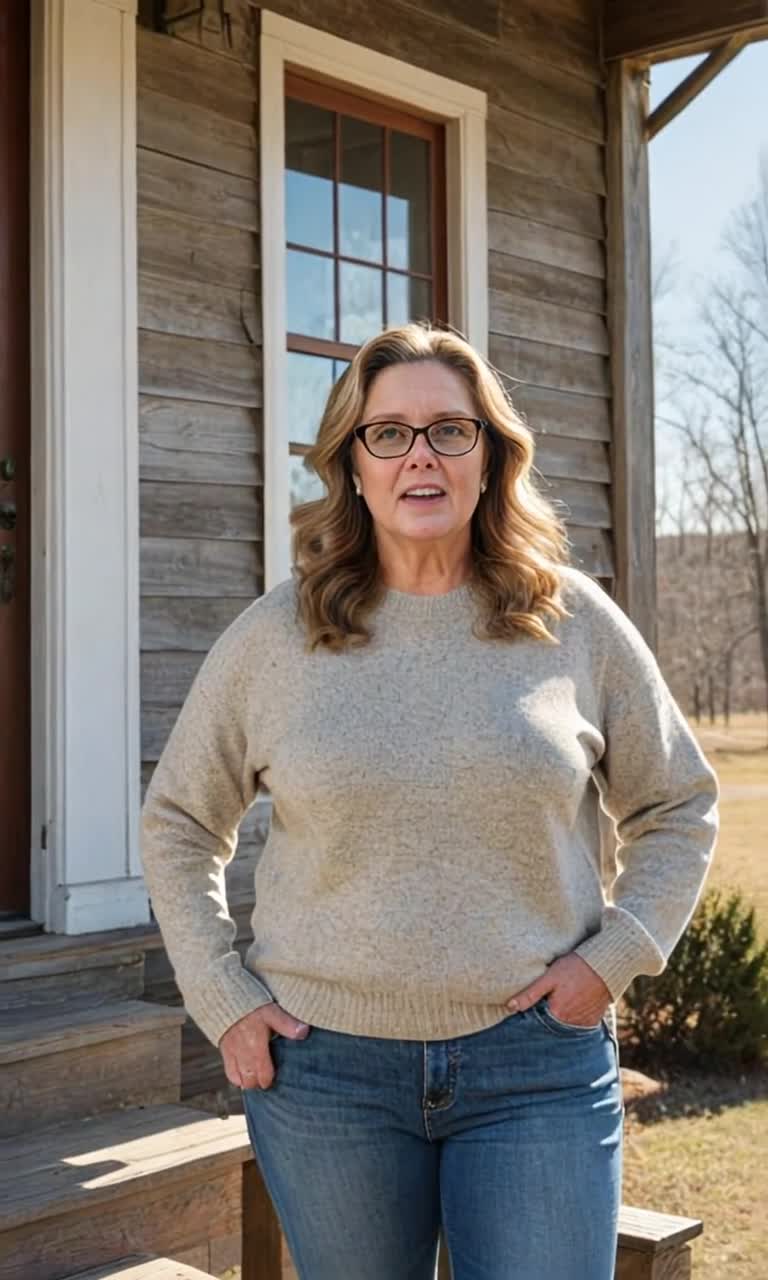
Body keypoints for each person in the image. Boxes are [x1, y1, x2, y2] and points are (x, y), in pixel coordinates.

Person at [141, 322, 719, 1280]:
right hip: (325, 1073)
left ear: (490, 458)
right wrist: (222, 995)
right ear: (351, 465)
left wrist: (614, 958)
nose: (420, 455)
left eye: (451, 430)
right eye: (389, 433)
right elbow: (178, 822)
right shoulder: (274, 638)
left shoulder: (571, 622)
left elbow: (681, 804)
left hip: (535, 1065)